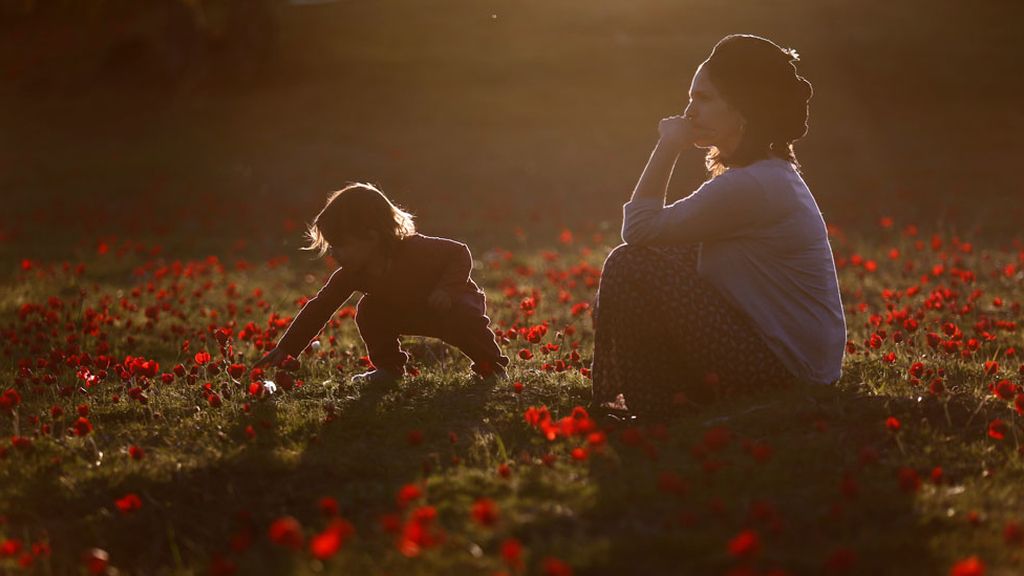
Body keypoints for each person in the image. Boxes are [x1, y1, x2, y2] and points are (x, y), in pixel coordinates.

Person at [590, 34, 846, 420]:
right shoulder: (763, 175)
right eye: (691, 97)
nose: (689, 112)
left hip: (789, 373)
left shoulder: (753, 185)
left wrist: (668, 147)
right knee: (667, 253)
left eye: (704, 99)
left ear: (743, 109)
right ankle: (662, 389)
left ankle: (657, 405)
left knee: (629, 264)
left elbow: (638, 228)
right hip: (793, 362)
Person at [255, 183, 509, 383]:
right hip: (409, 312)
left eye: (341, 245)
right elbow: (321, 306)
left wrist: (448, 289)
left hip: (448, 303)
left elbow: (459, 253)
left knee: (464, 320)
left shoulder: (415, 249)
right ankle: (389, 368)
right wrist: (288, 347)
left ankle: (492, 366)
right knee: (369, 311)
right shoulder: (353, 272)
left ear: (371, 237)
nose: (334, 253)